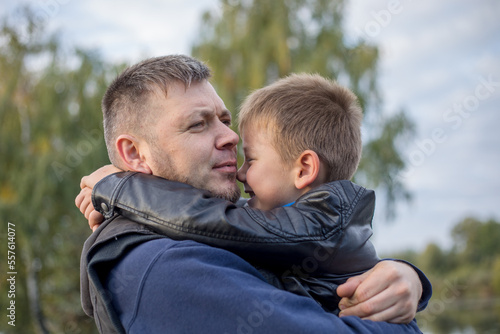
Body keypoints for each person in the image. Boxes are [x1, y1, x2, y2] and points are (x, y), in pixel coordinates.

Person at [77, 55, 429, 333]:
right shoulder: (162, 266)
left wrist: (406, 279)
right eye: (198, 124)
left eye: (225, 121)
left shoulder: (225, 232)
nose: (230, 138)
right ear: (135, 154)